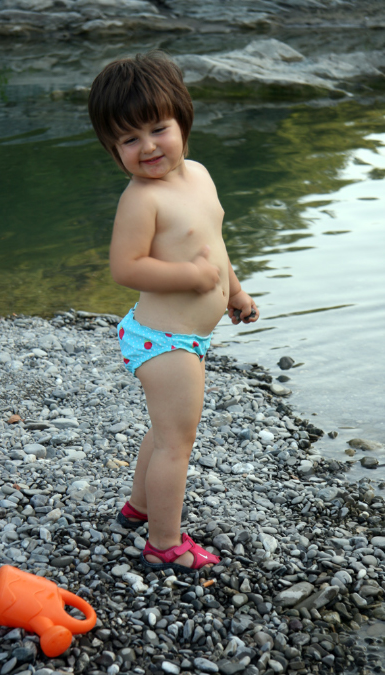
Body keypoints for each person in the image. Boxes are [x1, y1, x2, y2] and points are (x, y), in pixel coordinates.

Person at [88, 51, 259, 573]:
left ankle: (139, 507)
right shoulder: (142, 200)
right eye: (129, 139)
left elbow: (212, 246)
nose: (148, 147)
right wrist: (191, 277)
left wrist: (233, 291)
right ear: (113, 149)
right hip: (165, 342)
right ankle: (164, 542)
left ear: (183, 121)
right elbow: (126, 266)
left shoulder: (200, 176)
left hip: (185, 338)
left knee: (163, 431)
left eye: (158, 129)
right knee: (175, 444)